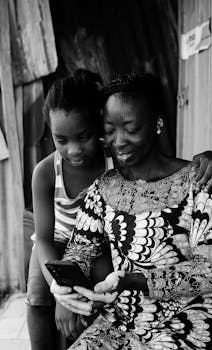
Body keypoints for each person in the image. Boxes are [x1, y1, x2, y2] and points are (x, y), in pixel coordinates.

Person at [51, 72, 212, 349]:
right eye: (110, 130)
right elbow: (80, 250)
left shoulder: (201, 182)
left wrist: (133, 280)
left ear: (157, 124)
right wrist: (64, 285)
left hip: (191, 324)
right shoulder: (103, 189)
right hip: (121, 321)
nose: (119, 140)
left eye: (131, 129)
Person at [26, 69, 114, 350]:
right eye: (61, 140)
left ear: (98, 125)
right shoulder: (45, 173)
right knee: (39, 297)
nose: (74, 149)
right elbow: (43, 238)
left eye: (84, 136)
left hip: (101, 246)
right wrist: (60, 289)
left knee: (96, 302)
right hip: (55, 244)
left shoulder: (115, 165)